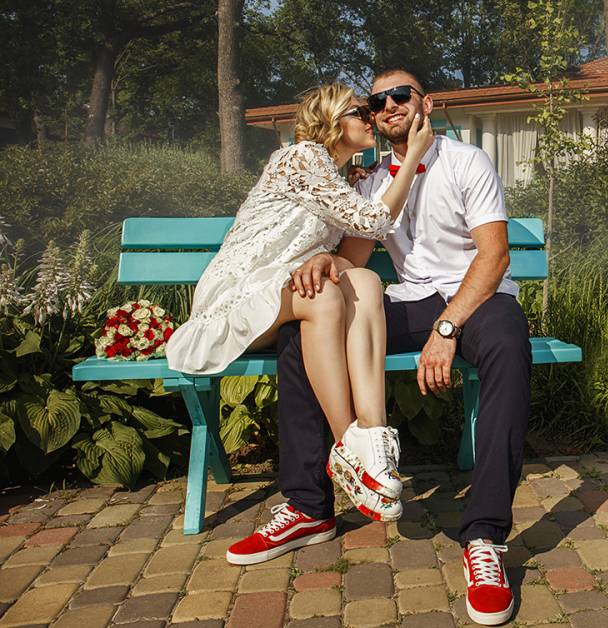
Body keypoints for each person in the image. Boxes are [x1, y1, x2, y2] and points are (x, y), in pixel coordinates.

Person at [286, 69, 531, 626]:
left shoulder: (466, 161)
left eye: (401, 95)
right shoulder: (371, 181)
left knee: (507, 346)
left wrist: (447, 330)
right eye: (378, 101)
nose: (390, 105)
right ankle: (308, 505)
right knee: (304, 336)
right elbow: (352, 257)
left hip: (478, 298)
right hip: (412, 299)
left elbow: (494, 257)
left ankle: (485, 537)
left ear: (427, 103)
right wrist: (326, 262)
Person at [164, 83, 435, 565]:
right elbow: (373, 222)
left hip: (287, 295)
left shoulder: (335, 174)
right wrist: (411, 157)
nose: (372, 117)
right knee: (324, 297)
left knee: (366, 282)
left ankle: (373, 439)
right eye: (361, 110)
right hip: (240, 296)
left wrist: (334, 238)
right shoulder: (300, 157)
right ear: (331, 120)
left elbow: (345, 248)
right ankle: (349, 446)